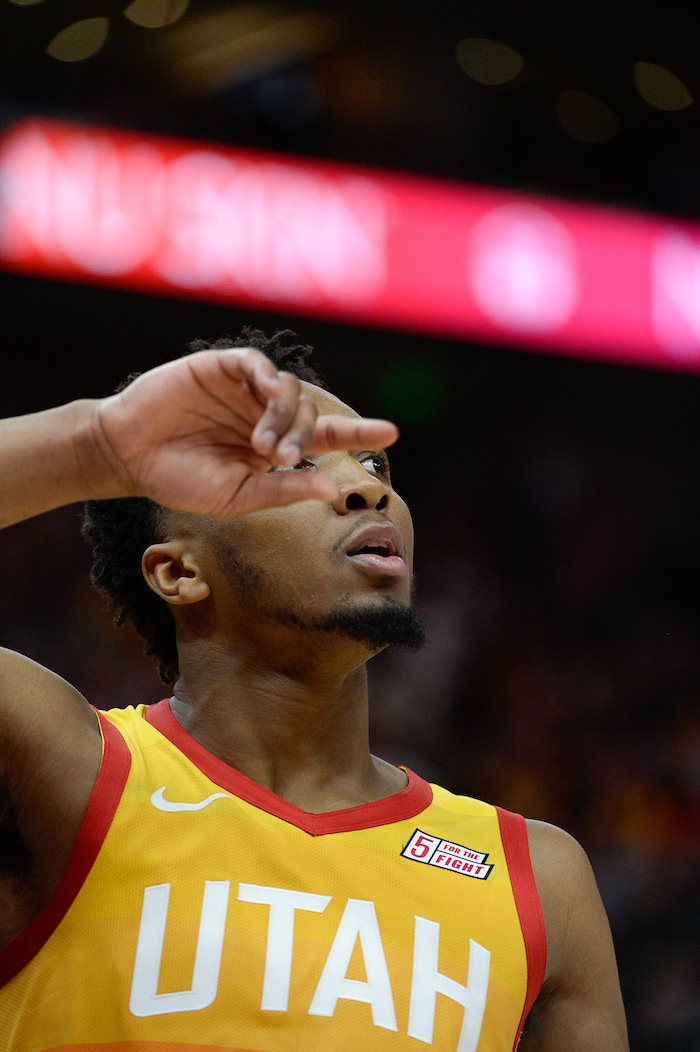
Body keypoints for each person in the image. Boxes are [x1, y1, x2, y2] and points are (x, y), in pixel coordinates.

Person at [0, 326, 628, 1051]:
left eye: (375, 465)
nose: (367, 488)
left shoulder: (539, 880)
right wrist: (92, 449)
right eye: (292, 467)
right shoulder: (68, 771)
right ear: (178, 572)